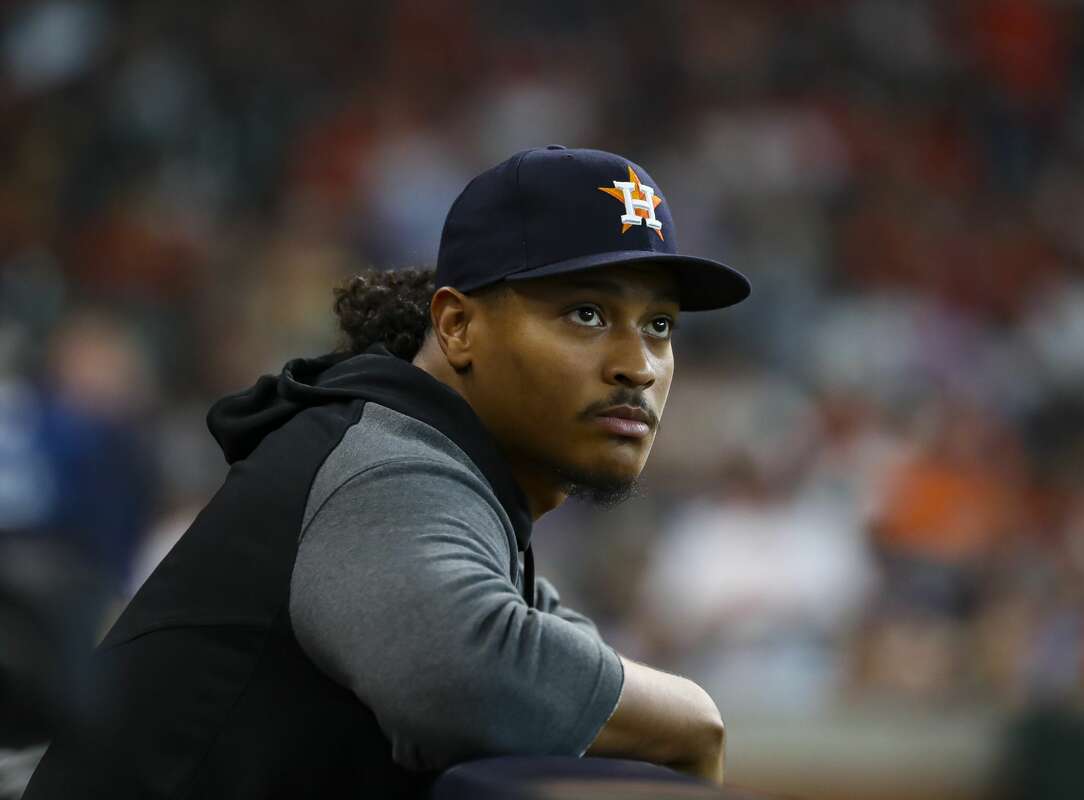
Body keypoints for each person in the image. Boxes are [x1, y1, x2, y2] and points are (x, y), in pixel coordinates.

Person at [23, 145, 751, 799]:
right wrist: (694, 719)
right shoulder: (392, 462)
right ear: (458, 327)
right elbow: (459, 678)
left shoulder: (448, 471)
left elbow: (550, 655)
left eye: (659, 325)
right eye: (587, 314)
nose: (638, 365)